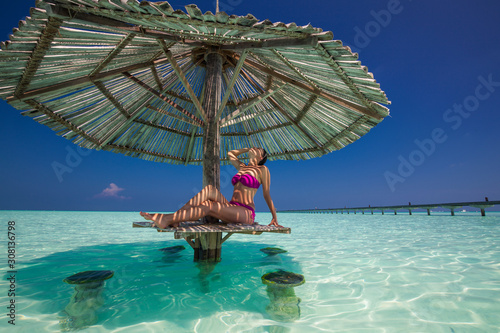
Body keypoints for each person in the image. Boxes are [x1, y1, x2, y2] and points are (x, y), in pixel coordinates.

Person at [140, 147, 282, 228]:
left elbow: (267, 194)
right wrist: (246, 150)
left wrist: (274, 217)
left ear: (261, 157)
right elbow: (231, 153)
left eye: (258, 149)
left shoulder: (263, 170)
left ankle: (167, 218)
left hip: (245, 212)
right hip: (231, 207)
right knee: (209, 190)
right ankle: (176, 218)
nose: (254, 148)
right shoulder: (242, 167)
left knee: (209, 205)